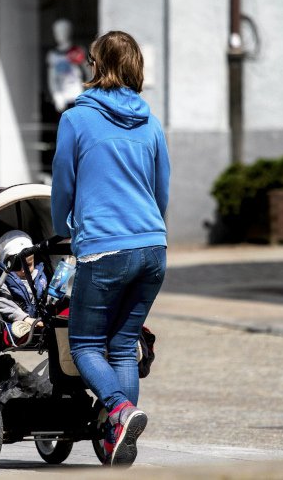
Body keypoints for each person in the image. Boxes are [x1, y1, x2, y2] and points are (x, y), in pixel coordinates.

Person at [50, 31, 170, 467]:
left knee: (83, 345)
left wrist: (62, 226)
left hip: (104, 249)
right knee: (122, 346)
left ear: (96, 66)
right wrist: (147, 229)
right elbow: (162, 191)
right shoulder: (152, 122)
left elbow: (63, 183)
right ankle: (116, 446)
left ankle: (118, 411)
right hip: (152, 247)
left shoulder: (76, 120)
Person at [0, 230, 47, 342]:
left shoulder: (39, 275)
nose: (23, 269)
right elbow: (4, 304)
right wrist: (24, 318)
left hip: (39, 318)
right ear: (7, 264)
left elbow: (46, 293)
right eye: (17, 265)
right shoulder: (0, 281)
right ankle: (20, 330)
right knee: (10, 329)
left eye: (28, 265)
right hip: (15, 320)